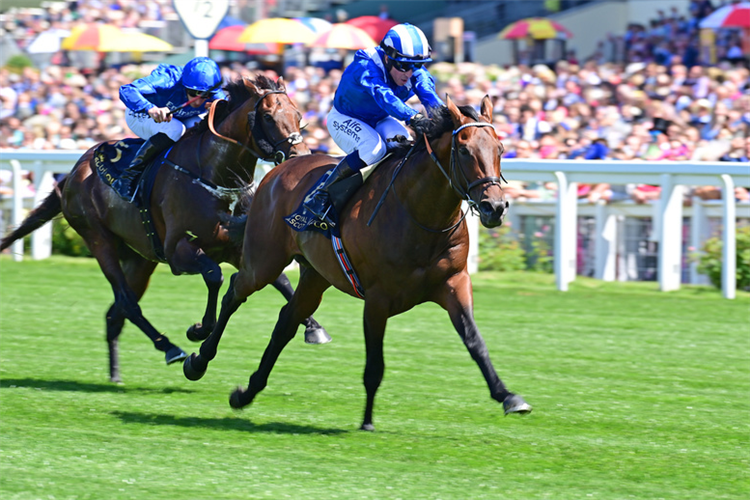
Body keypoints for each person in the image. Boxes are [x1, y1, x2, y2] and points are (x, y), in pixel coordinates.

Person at [303, 23, 444, 225]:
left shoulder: (411, 69)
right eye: (403, 66)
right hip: (344, 118)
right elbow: (385, 97)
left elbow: (430, 97)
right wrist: (414, 118)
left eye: (417, 66)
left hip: (379, 119)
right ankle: (321, 195)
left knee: (403, 145)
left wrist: (446, 119)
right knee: (374, 149)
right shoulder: (366, 66)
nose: (409, 73)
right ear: (388, 58)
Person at [113, 57, 227, 199]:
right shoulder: (168, 79)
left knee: (203, 130)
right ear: (184, 84)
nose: (198, 101)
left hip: (179, 119)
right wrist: (151, 109)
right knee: (175, 129)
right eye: (192, 93)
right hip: (139, 115)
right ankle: (127, 178)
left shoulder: (214, 91)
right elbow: (127, 90)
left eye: (206, 96)